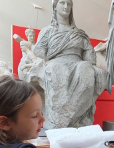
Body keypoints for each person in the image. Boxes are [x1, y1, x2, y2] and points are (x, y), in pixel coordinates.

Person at [32, 0, 107, 129]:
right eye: (62, 3)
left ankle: (71, 116)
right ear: (55, 6)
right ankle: (60, 120)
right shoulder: (48, 31)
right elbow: (39, 50)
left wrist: (91, 59)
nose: (66, 6)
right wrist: (52, 56)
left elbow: (89, 54)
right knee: (57, 70)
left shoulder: (80, 33)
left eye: (69, 4)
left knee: (86, 69)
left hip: (78, 62)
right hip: (57, 62)